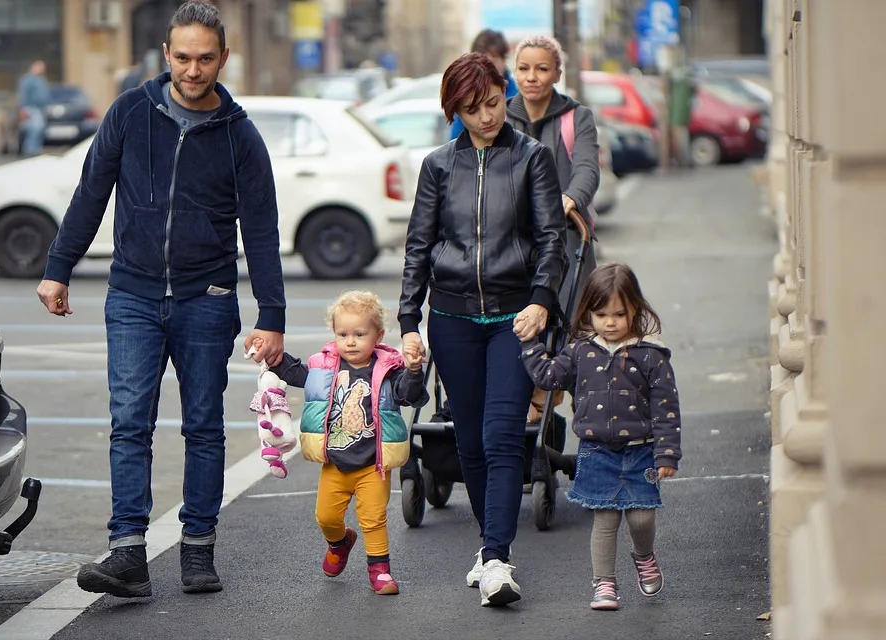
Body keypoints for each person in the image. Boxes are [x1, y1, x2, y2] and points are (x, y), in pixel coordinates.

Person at [35, 0, 287, 598]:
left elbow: (262, 230)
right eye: (182, 57)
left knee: (203, 427)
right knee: (129, 424)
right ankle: (128, 553)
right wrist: (57, 268)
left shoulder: (241, 138)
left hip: (208, 297)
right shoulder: (129, 114)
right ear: (166, 54)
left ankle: (198, 550)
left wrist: (271, 316)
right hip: (133, 295)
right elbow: (91, 191)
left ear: (223, 58)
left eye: (205, 59)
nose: (193, 70)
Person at [399, 52, 567, 607]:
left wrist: (542, 300)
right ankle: (486, 547)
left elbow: (551, 241)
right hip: (451, 320)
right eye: (472, 110)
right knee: (468, 439)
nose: (487, 117)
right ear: (456, 111)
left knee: (500, 436)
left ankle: (497, 557)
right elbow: (418, 247)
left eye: (493, 103)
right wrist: (407, 321)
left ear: (503, 93)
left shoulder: (532, 158)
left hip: (514, 320)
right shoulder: (438, 166)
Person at [519, 263, 682, 611]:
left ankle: (643, 555)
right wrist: (530, 344)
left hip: (641, 453)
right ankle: (604, 584)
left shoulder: (650, 355)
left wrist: (667, 455)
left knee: (642, 517)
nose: (610, 322)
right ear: (588, 313)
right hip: (596, 452)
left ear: (635, 309)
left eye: (620, 314)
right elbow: (549, 376)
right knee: (605, 519)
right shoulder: (580, 351)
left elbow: (666, 407)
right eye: (601, 314)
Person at [259, 291, 428, 595]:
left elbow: (410, 394)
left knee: (374, 519)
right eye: (343, 334)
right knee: (326, 517)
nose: (350, 341)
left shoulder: (389, 370)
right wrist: (273, 357)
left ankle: (380, 571)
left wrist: (414, 371)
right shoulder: (324, 367)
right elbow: (294, 372)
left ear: (378, 335)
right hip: (335, 463)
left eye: (359, 334)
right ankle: (340, 542)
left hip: (372, 463)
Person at [506, 34, 601, 424]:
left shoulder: (576, 117)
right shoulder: (502, 115)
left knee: (570, 326)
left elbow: (587, 169)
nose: (532, 77)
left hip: (565, 238)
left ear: (557, 72)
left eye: (542, 69)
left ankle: (554, 397)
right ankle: (533, 402)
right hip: (511, 239)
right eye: (524, 69)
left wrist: (571, 198)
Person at [449, 29, 519, 140]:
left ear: (504, 59)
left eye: (493, 103)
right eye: (483, 62)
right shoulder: (465, 96)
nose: (487, 68)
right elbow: (456, 141)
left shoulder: (519, 97)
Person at [17, 60, 51, 156]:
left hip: (41, 109)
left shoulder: (41, 80)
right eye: (40, 67)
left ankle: (36, 148)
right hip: (32, 108)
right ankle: (30, 150)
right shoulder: (28, 80)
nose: (42, 70)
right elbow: (23, 95)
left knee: (40, 129)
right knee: (35, 128)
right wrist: (24, 109)